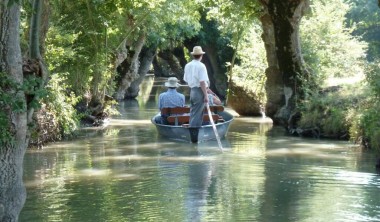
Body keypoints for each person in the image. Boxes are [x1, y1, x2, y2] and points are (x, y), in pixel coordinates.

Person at [183, 46, 210, 130]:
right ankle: (194, 131)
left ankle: (195, 130)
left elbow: (186, 79)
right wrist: (206, 95)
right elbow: (202, 82)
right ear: (201, 55)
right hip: (199, 91)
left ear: (193, 55)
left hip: (192, 91)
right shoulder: (201, 66)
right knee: (197, 113)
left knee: (194, 112)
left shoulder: (188, 65)